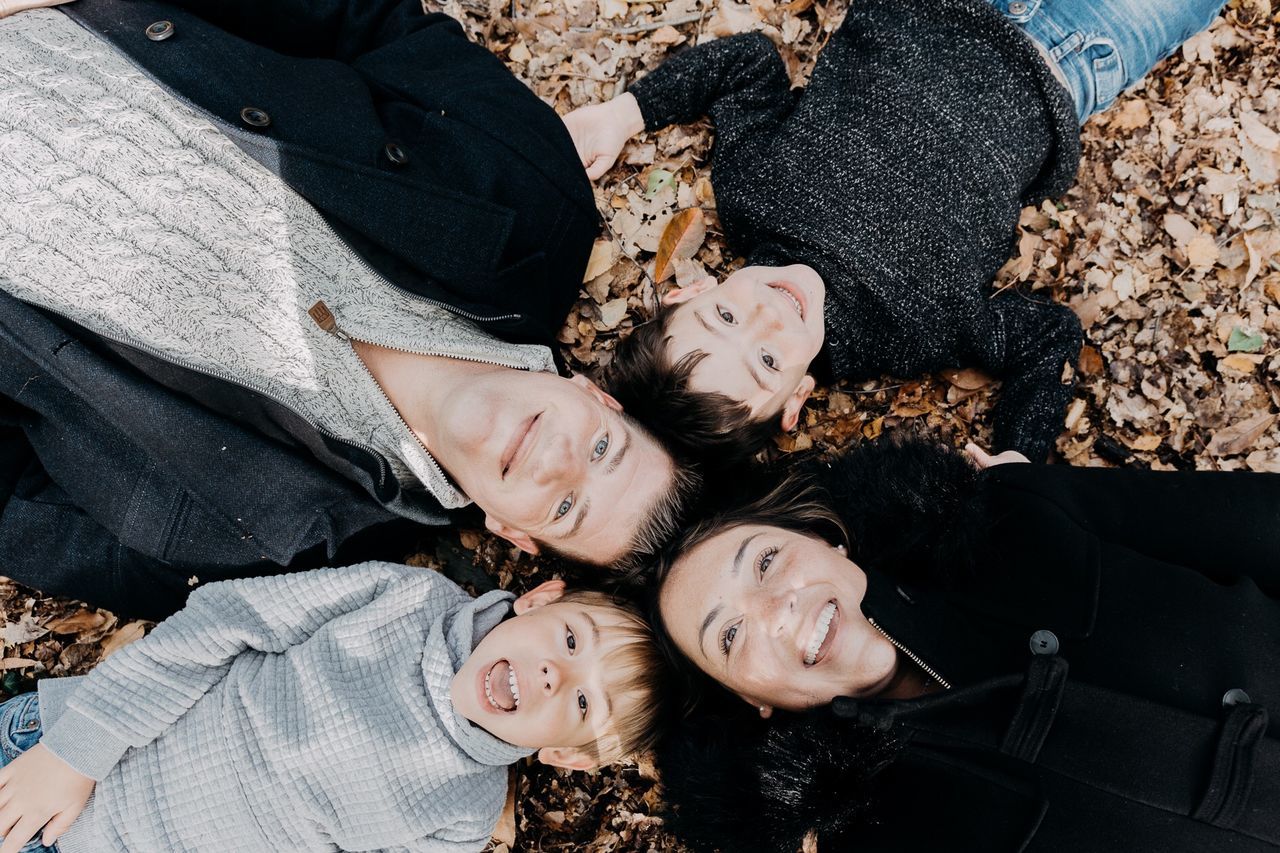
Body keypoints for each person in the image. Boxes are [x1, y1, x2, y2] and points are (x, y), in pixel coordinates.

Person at [0, 2, 699, 620]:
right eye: (604, 450)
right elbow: (364, 20)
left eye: (566, 508)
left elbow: (14, 504)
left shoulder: (264, 550)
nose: (556, 461)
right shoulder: (531, 199)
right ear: (597, 397)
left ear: (515, 533)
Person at [563, 0, 1226, 464]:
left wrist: (625, 114)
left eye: (725, 316)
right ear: (797, 398)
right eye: (767, 361)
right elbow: (1045, 334)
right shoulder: (911, 332)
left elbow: (749, 66)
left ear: (691, 292)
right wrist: (1021, 453)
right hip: (1076, 53)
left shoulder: (748, 192)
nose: (764, 317)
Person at [646, 438, 1280, 851]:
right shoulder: (885, 837)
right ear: (749, 699)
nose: (776, 607)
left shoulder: (1015, 523)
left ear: (827, 541)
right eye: (729, 636)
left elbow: (1258, 523)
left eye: (765, 563)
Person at [0, 562, 671, 853]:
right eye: (571, 638)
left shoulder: (462, 812)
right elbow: (225, 620)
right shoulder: (407, 599)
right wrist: (72, 750)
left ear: (560, 754)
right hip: (59, 758)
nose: (556, 672)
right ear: (539, 600)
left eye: (583, 700)